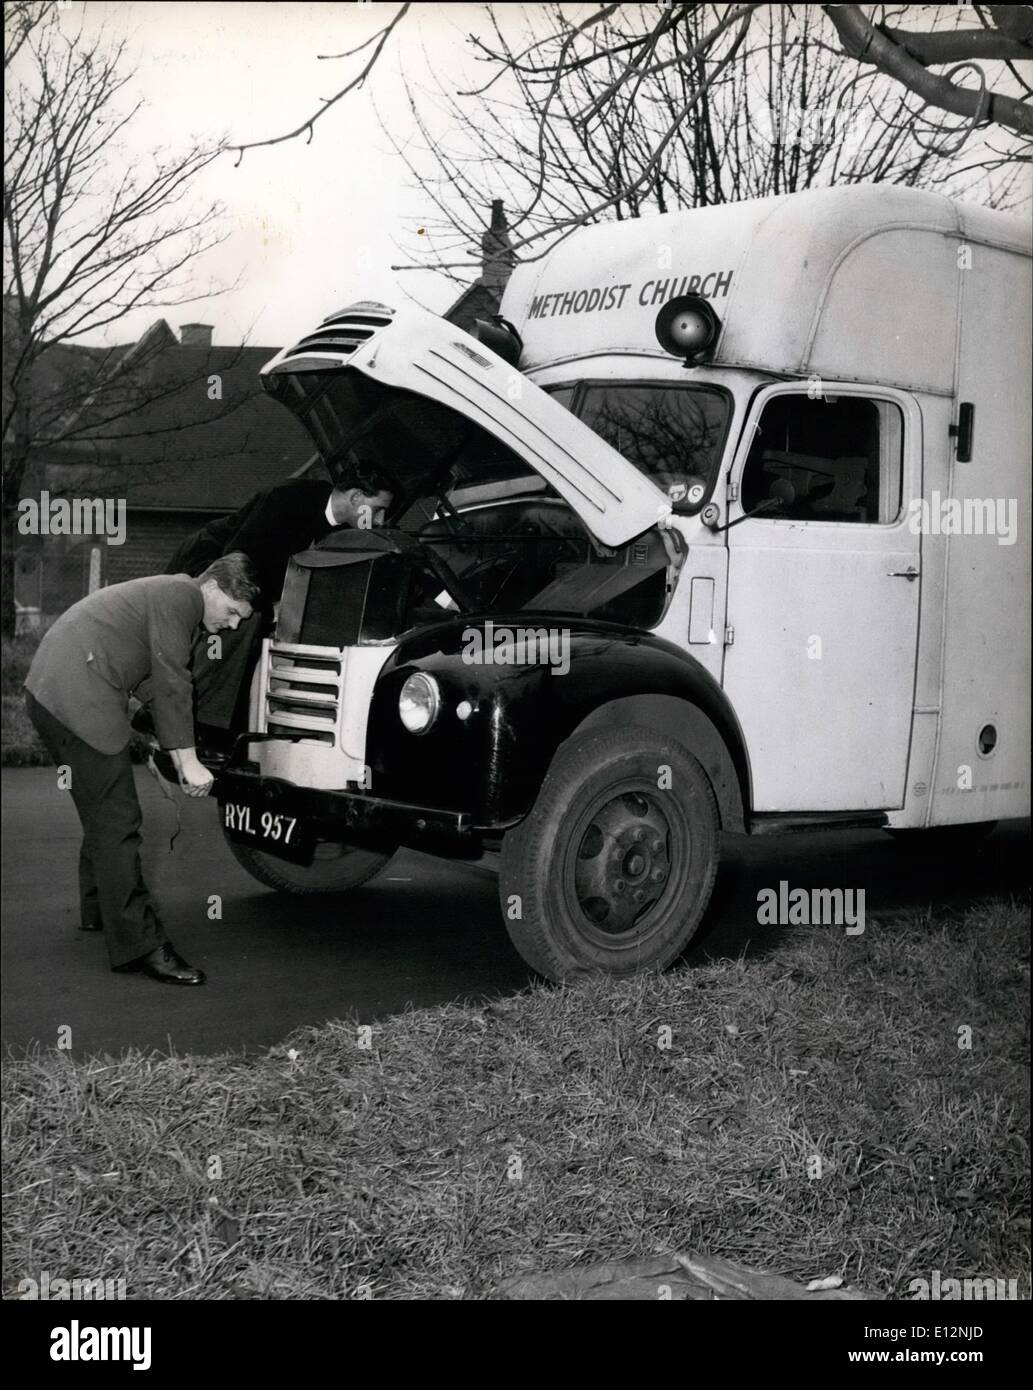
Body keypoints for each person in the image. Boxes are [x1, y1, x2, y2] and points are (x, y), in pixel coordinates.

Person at [24, 553, 261, 986]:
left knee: (103, 810)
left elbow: (150, 680)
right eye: (231, 613)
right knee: (119, 818)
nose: (233, 626)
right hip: (77, 697)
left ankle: (101, 911)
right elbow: (173, 680)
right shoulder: (181, 597)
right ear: (211, 588)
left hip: (51, 691)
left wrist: (162, 738)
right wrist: (187, 762)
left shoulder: (170, 593)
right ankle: (142, 945)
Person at [163, 469, 395, 743]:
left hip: (252, 582)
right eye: (378, 510)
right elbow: (237, 563)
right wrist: (270, 608)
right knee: (234, 631)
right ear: (356, 496)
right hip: (213, 565)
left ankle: (226, 726)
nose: (380, 520)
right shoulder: (286, 500)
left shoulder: (341, 528)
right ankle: (199, 726)